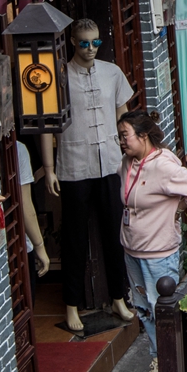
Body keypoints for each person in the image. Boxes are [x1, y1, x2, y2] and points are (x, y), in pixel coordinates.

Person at [38, 18, 135, 335]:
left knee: (113, 232)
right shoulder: (59, 78)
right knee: (74, 238)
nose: (90, 48)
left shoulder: (112, 73)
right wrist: (49, 168)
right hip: (74, 165)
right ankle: (71, 304)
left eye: (95, 42)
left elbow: (124, 118)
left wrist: (130, 152)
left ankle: (119, 297)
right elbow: (48, 125)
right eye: (83, 43)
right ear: (72, 43)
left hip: (109, 162)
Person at [119, 113, 187, 372]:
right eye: (120, 136)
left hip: (158, 252)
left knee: (162, 311)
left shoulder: (164, 166)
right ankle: (160, 360)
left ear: (143, 136)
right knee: (143, 309)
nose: (122, 141)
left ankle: (172, 363)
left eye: (126, 135)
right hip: (131, 248)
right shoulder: (127, 163)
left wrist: (177, 210)